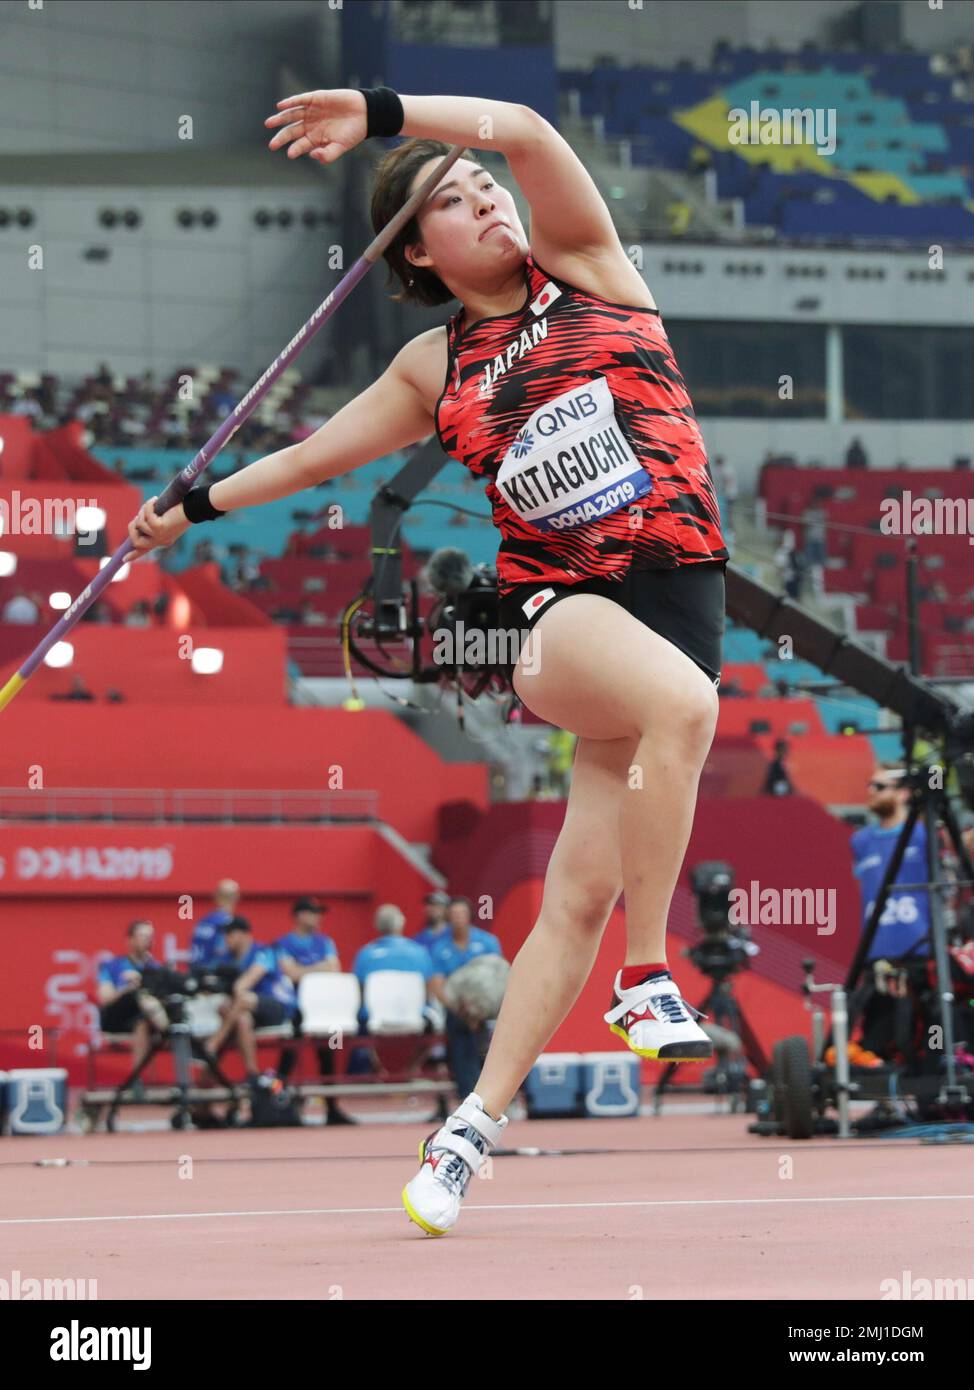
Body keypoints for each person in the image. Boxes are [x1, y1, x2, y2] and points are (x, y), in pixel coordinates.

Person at [127, 84, 728, 1235]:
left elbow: (531, 132)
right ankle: (647, 979)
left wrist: (386, 111)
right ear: (420, 255)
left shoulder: (589, 269)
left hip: (678, 601)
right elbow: (309, 459)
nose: (486, 196)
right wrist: (189, 506)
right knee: (685, 713)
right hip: (553, 610)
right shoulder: (432, 366)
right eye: (453, 200)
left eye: (481, 183)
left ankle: (464, 1133)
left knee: (576, 894)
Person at [849, 766, 931, 1061]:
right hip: (876, 954)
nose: (871, 790)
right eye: (870, 785)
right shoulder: (860, 841)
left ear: (903, 793)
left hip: (920, 953)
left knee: (923, 1039)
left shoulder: (924, 835)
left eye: (880, 786)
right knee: (875, 1042)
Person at [273, 895, 354, 1125]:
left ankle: (331, 1107)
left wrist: (304, 970)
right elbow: (291, 974)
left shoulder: (325, 941)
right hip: (295, 1009)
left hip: (323, 1008)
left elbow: (334, 969)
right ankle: (277, 1100)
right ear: (300, 915)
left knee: (327, 1053)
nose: (318, 917)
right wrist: (318, 969)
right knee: (288, 1055)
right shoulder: (283, 943)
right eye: (313, 912)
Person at [426, 897, 503, 1102]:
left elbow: (499, 977)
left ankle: (498, 1096)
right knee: (461, 1034)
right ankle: (468, 1097)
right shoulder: (439, 948)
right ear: (448, 917)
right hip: (458, 1009)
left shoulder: (487, 942)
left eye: (461, 913)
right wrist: (461, 1009)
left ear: (469, 916)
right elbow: (437, 985)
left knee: (493, 1036)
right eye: (454, 914)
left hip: (488, 1009)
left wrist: (481, 1010)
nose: (458, 918)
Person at [206, 916, 298, 1083]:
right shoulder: (227, 958)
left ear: (243, 935)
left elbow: (241, 986)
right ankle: (252, 1074)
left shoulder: (264, 951)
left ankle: (213, 1044)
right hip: (250, 1010)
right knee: (242, 1020)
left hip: (278, 1007)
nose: (226, 940)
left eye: (230, 935)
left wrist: (230, 999)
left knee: (243, 999)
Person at [95, 920, 169, 1077]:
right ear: (130, 940)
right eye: (142, 936)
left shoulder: (157, 969)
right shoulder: (112, 966)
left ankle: (137, 1082)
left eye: (150, 937)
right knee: (139, 1000)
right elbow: (105, 998)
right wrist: (127, 989)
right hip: (116, 1018)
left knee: (141, 1022)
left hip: (146, 1020)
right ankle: (169, 1031)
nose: (147, 940)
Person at [190, 878, 240, 969]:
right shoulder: (227, 922)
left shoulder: (203, 922)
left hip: (196, 972)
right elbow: (222, 953)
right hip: (213, 976)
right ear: (236, 898)